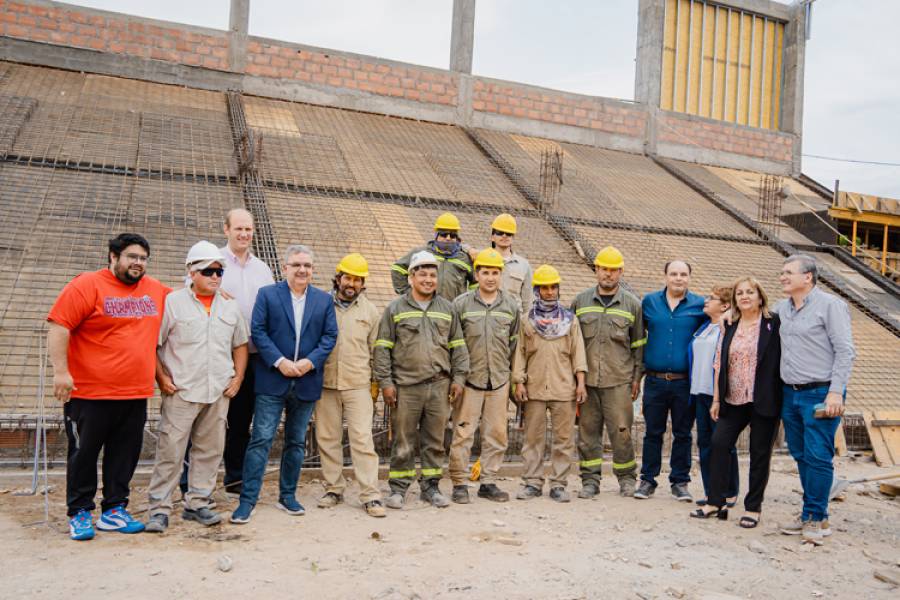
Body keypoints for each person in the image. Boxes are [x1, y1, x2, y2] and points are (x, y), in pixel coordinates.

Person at [48, 233, 171, 540]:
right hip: (90, 393)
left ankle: (114, 510)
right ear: (113, 257)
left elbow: (188, 300)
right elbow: (59, 325)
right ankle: (79, 512)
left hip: (134, 392)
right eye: (132, 257)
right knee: (84, 454)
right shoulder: (87, 285)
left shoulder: (154, 289)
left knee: (124, 454)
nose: (138, 263)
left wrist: (218, 294)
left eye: (143, 258)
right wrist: (60, 373)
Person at [230, 245, 338, 524]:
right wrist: (280, 361)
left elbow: (329, 336)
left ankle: (287, 495)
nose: (303, 270)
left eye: (307, 266)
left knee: (296, 441)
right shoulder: (267, 295)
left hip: (306, 380)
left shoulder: (324, 300)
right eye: (297, 265)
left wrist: (308, 362)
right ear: (285, 267)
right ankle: (248, 500)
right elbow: (259, 331)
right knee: (261, 439)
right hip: (272, 379)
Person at [146, 242, 249, 532]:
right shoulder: (173, 303)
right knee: (171, 451)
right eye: (208, 271)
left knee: (209, 450)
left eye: (219, 271)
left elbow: (240, 343)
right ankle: (159, 508)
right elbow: (153, 345)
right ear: (192, 272)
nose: (215, 277)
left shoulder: (230, 306)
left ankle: (198, 503)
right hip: (182, 391)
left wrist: (237, 378)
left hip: (217, 391)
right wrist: (162, 378)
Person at [374, 251, 470, 509]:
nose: (428, 279)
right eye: (423, 274)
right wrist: (386, 382)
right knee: (403, 440)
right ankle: (398, 489)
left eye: (432, 274)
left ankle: (431, 487)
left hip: (439, 385)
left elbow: (458, 347)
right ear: (412, 276)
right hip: (406, 387)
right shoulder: (395, 308)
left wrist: (459, 377)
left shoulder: (447, 309)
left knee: (435, 441)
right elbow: (382, 347)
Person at [775, 254, 855, 544]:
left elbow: (845, 351)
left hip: (821, 392)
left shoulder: (831, 306)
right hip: (790, 391)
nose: (782, 277)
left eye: (788, 272)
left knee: (818, 455)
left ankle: (815, 517)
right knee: (800, 453)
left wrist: (836, 390)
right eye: (782, 273)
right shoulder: (781, 309)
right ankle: (814, 511)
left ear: (807, 277)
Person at [691, 277, 781, 528]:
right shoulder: (729, 324)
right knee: (719, 444)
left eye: (750, 292)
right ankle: (716, 501)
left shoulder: (774, 323)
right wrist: (717, 399)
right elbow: (720, 361)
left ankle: (753, 508)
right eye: (740, 293)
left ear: (760, 297)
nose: (744, 296)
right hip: (733, 398)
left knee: (759, 453)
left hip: (763, 398)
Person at [315, 253, 385, 518]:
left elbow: (376, 350)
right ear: (338, 277)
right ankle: (334, 488)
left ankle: (370, 494)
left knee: (362, 439)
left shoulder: (370, 311)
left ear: (363, 283)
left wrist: (376, 383)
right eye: (347, 277)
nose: (351, 283)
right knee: (327, 438)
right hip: (326, 383)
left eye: (357, 279)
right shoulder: (322, 305)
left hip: (358, 384)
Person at [571, 246, 644, 498]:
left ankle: (626, 478)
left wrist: (636, 379)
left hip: (619, 381)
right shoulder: (580, 302)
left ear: (621, 272)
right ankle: (590, 481)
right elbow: (572, 343)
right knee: (587, 434)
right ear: (596, 270)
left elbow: (638, 347)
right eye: (604, 269)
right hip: (587, 382)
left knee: (622, 432)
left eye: (613, 270)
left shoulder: (633, 305)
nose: (608, 275)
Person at [449, 248, 520, 504]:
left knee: (497, 433)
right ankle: (459, 482)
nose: (490, 277)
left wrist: (512, 378)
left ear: (501, 275)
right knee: (463, 433)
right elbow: (455, 344)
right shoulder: (461, 304)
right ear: (476, 274)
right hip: (470, 380)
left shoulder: (511, 306)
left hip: (499, 380)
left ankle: (488, 481)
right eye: (485, 272)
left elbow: (514, 345)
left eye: (495, 272)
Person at [512, 265, 588, 503]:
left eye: (553, 287)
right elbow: (520, 354)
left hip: (564, 388)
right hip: (534, 388)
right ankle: (532, 482)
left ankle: (558, 484)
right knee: (533, 439)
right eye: (544, 287)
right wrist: (519, 382)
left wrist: (581, 383)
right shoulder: (527, 321)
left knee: (563, 440)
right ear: (537, 290)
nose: (549, 292)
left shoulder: (570, 320)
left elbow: (578, 354)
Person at [635, 260, 705, 501]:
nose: (678, 278)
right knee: (652, 432)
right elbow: (637, 336)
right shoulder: (649, 302)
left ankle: (680, 481)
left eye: (683, 274)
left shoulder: (700, 305)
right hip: (654, 381)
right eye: (674, 274)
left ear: (689, 277)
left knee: (683, 433)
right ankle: (647, 480)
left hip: (684, 382)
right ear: (665, 276)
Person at [218, 208, 275, 498]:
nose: (244, 234)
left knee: (242, 419)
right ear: (226, 230)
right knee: (209, 417)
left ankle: (236, 476)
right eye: (238, 228)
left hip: (254, 354)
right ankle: (191, 480)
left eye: (248, 229)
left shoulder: (263, 269)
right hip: (219, 353)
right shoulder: (212, 262)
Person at [690, 285, 738, 508]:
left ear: (726, 305)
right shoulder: (703, 328)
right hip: (700, 392)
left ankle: (729, 490)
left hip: (717, 394)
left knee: (723, 443)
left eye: (712, 298)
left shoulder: (728, 328)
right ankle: (712, 491)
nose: (706, 301)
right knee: (705, 443)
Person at [391, 212, 475, 301]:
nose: (448, 238)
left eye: (452, 235)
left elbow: (476, 283)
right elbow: (398, 269)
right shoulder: (422, 253)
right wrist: (408, 293)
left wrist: (469, 303)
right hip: (427, 309)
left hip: (453, 311)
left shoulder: (465, 258)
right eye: (443, 234)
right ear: (436, 234)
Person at [489, 213, 533, 315]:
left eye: (508, 233)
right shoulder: (482, 258)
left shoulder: (524, 265)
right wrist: (469, 250)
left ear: (513, 238)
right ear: (492, 237)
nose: (504, 236)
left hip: (513, 318)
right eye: (500, 232)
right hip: (488, 316)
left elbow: (528, 300)